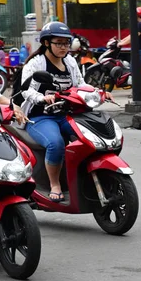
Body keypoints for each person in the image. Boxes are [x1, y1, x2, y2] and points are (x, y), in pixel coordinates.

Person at [19, 21, 112, 202]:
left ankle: (85, 177)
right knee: (55, 143)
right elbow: (26, 90)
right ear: (47, 43)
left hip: (67, 114)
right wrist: (41, 98)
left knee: (92, 139)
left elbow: (80, 84)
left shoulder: (69, 61)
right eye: (59, 43)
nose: (64, 47)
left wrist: (99, 92)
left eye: (66, 43)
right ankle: (55, 184)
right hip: (40, 117)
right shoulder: (36, 63)